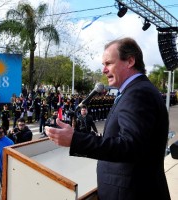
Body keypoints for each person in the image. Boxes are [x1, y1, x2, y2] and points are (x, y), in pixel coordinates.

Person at [45, 37, 170, 200]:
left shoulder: (138, 93)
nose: (104, 70)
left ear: (130, 61)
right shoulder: (134, 91)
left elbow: (130, 146)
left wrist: (75, 140)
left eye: (108, 63)